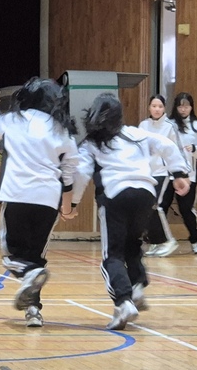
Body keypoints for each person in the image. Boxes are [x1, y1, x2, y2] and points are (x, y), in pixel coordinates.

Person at [72, 93, 190, 331]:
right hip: (146, 195)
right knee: (132, 245)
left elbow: (82, 174)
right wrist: (179, 173)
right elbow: (167, 146)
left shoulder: (91, 143)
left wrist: (72, 203)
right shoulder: (137, 133)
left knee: (111, 256)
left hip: (115, 195)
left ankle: (123, 301)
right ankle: (137, 286)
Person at [0, 78, 78, 328]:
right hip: (48, 200)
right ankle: (33, 310)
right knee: (36, 257)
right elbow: (70, 169)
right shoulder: (61, 128)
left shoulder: (14, 120)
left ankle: (30, 284)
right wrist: (68, 205)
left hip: (17, 195)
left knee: (13, 256)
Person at [160, 92, 197, 254]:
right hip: (168, 174)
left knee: (186, 209)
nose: (183, 109)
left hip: (188, 176)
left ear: (191, 107)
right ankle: (160, 240)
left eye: (186, 106)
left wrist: (195, 149)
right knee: (162, 207)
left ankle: (194, 239)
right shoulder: (169, 124)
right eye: (180, 106)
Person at [138, 95, 184, 257]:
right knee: (144, 207)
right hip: (146, 172)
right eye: (154, 106)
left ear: (164, 108)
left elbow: (177, 149)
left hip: (162, 172)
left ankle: (169, 240)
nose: (157, 109)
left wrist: (180, 172)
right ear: (149, 107)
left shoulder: (170, 126)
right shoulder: (143, 125)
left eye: (160, 106)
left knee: (155, 205)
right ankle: (155, 241)